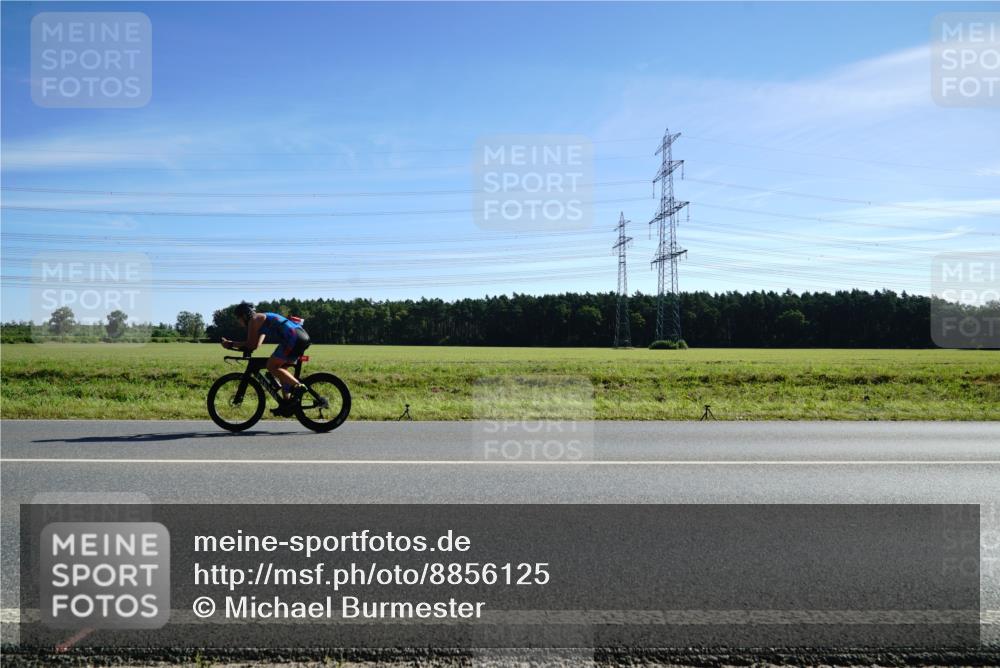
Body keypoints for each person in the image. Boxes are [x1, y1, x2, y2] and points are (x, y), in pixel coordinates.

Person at [221, 302, 311, 416]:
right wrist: (238, 346)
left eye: (238, 318)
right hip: (299, 337)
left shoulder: (254, 319)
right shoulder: (261, 320)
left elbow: (251, 344)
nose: (238, 322)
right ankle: (287, 404)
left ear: (244, 315)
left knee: (271, 366)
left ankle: (299, 386)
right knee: (282, 370)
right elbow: (256, 345)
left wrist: (230, 344)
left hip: (292, 338)